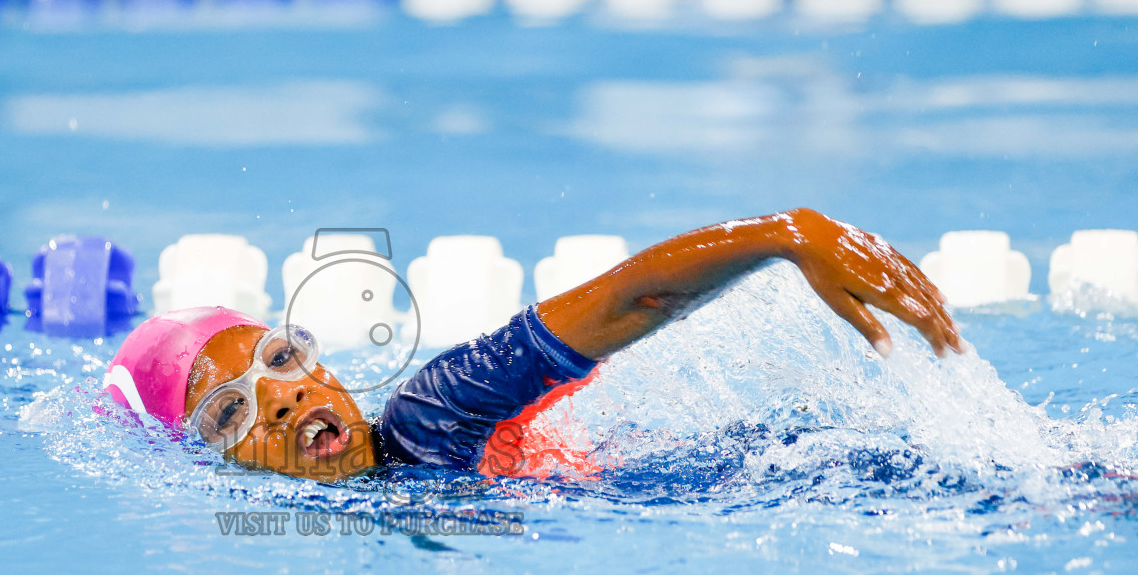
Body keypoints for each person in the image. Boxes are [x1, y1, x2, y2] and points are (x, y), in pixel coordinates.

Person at [103, 208, 964, 482]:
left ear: (319, 363)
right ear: (210, 464)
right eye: (229, 413)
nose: (282, 396)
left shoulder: (431, 416)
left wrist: (786, 234)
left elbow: (631, 300)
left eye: (280, 360)